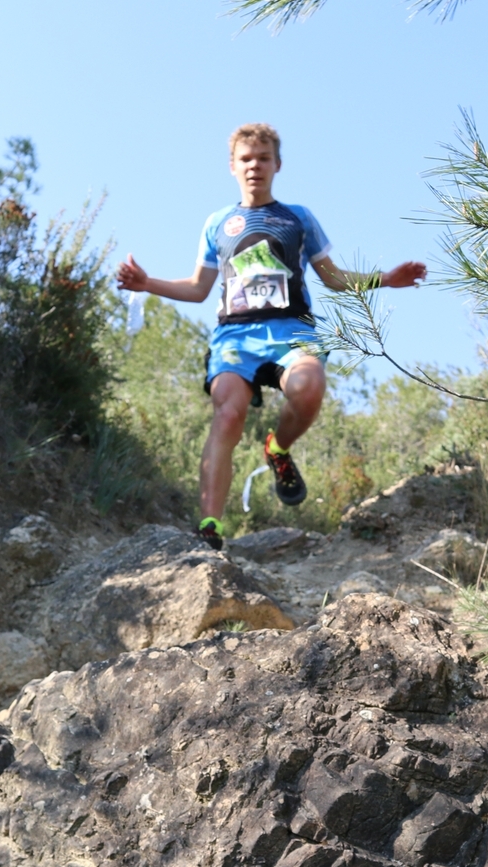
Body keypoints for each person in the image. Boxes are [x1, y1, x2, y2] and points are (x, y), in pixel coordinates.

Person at [115, 123, 428, 550]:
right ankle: (209, 526)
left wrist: (385, 279)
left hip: (292, 329)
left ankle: (278, 449)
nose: (254, 166)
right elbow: (198, 288)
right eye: (246, 159)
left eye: (263, 158)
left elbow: (332, 277)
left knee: (309, 387)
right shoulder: (218, 223)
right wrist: (147, 283)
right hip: (235, 337)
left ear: (277, 164)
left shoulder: (298, 218)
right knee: (228, 414)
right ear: (232, 166)